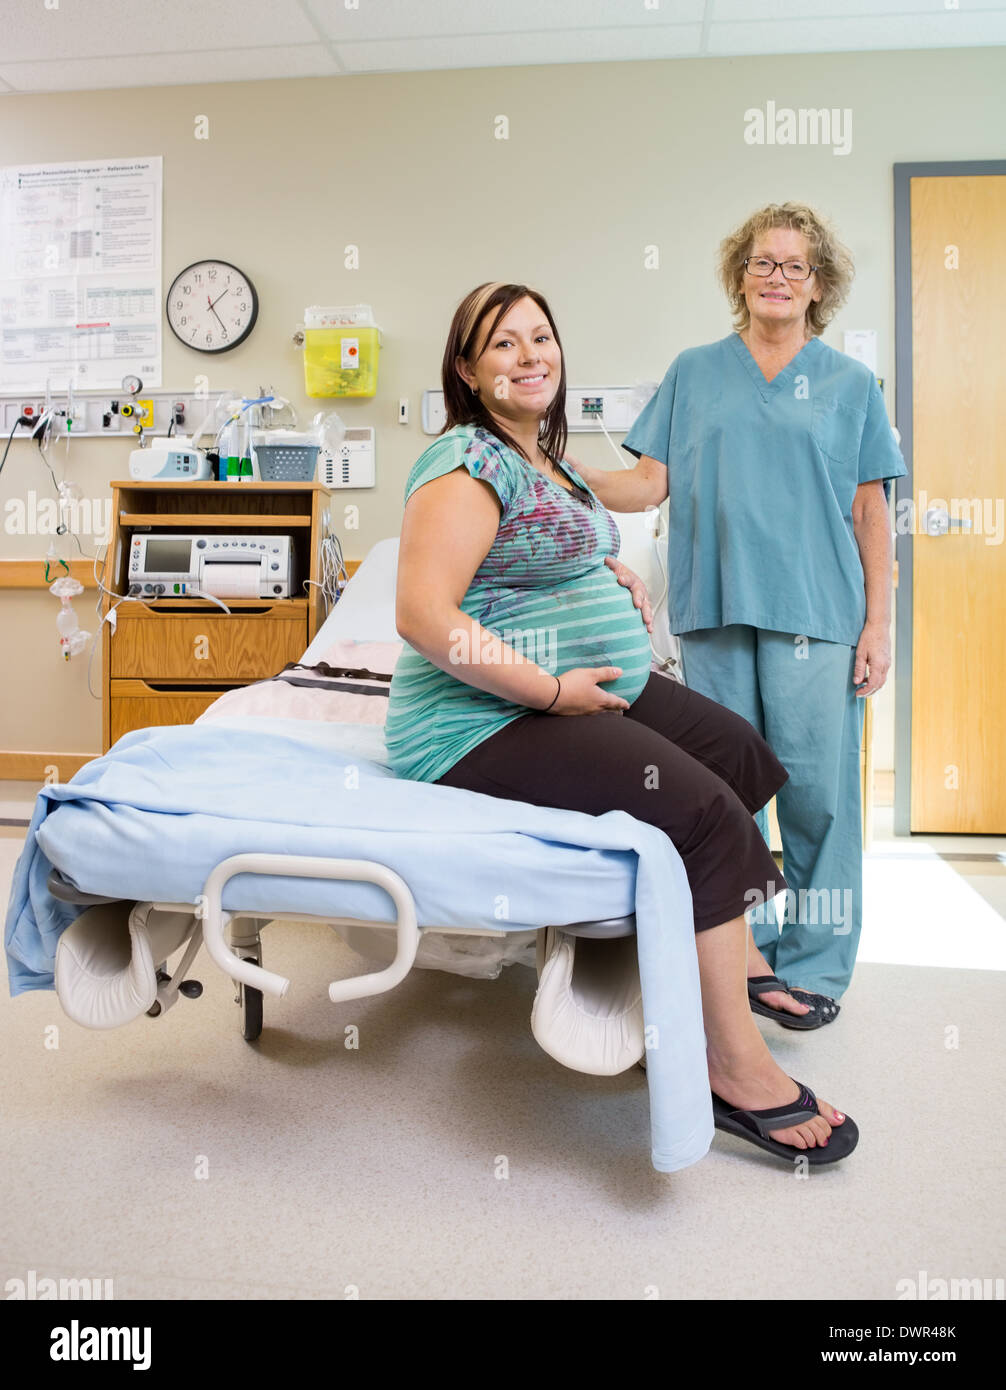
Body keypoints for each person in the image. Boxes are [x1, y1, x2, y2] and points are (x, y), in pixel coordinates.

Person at [384, 280, 857, 1164]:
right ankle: (729, 1066)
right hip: (478, 720)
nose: (531, 357)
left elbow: (555, 549)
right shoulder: (465, 463)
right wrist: (551, 694)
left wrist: (609, 574)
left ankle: (739, 964)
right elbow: (423, 614)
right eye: (503, 346)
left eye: (541, 338)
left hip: (591, 682)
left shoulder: (545, 457)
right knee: (705, 813)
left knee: (740, 754)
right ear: (466, 370)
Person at [573, 203, 907, 1023]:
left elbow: (871, 513)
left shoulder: (850, 385)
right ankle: (741, 958)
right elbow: (648, 484)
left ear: (818, 285)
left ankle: (817, 970)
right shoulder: (695, 370)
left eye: (795, 266)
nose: (778, 277)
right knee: (726, 795)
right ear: (740, 276)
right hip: (714, 604)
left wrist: (880, 623)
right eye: (763, 263)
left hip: (818, 612)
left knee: (818, 798)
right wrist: (557, 470)